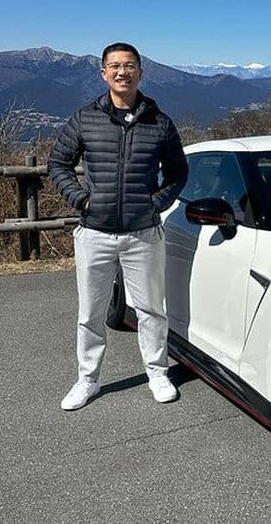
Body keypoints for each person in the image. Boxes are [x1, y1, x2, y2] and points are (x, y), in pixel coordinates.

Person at [48, 42, 188, 410]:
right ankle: (88, 380)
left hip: (143, 232)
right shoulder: (85, 118)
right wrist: (81, 199)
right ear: (103, 73)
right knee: (90, 314)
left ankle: (157, 373)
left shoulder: (160, 123)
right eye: (115, 66)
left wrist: (155, 203)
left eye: (129, 66)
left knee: (151, 310)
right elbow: (58, 163)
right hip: (94, 231)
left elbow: (178, 173)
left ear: (140, 71)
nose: (122, 72)